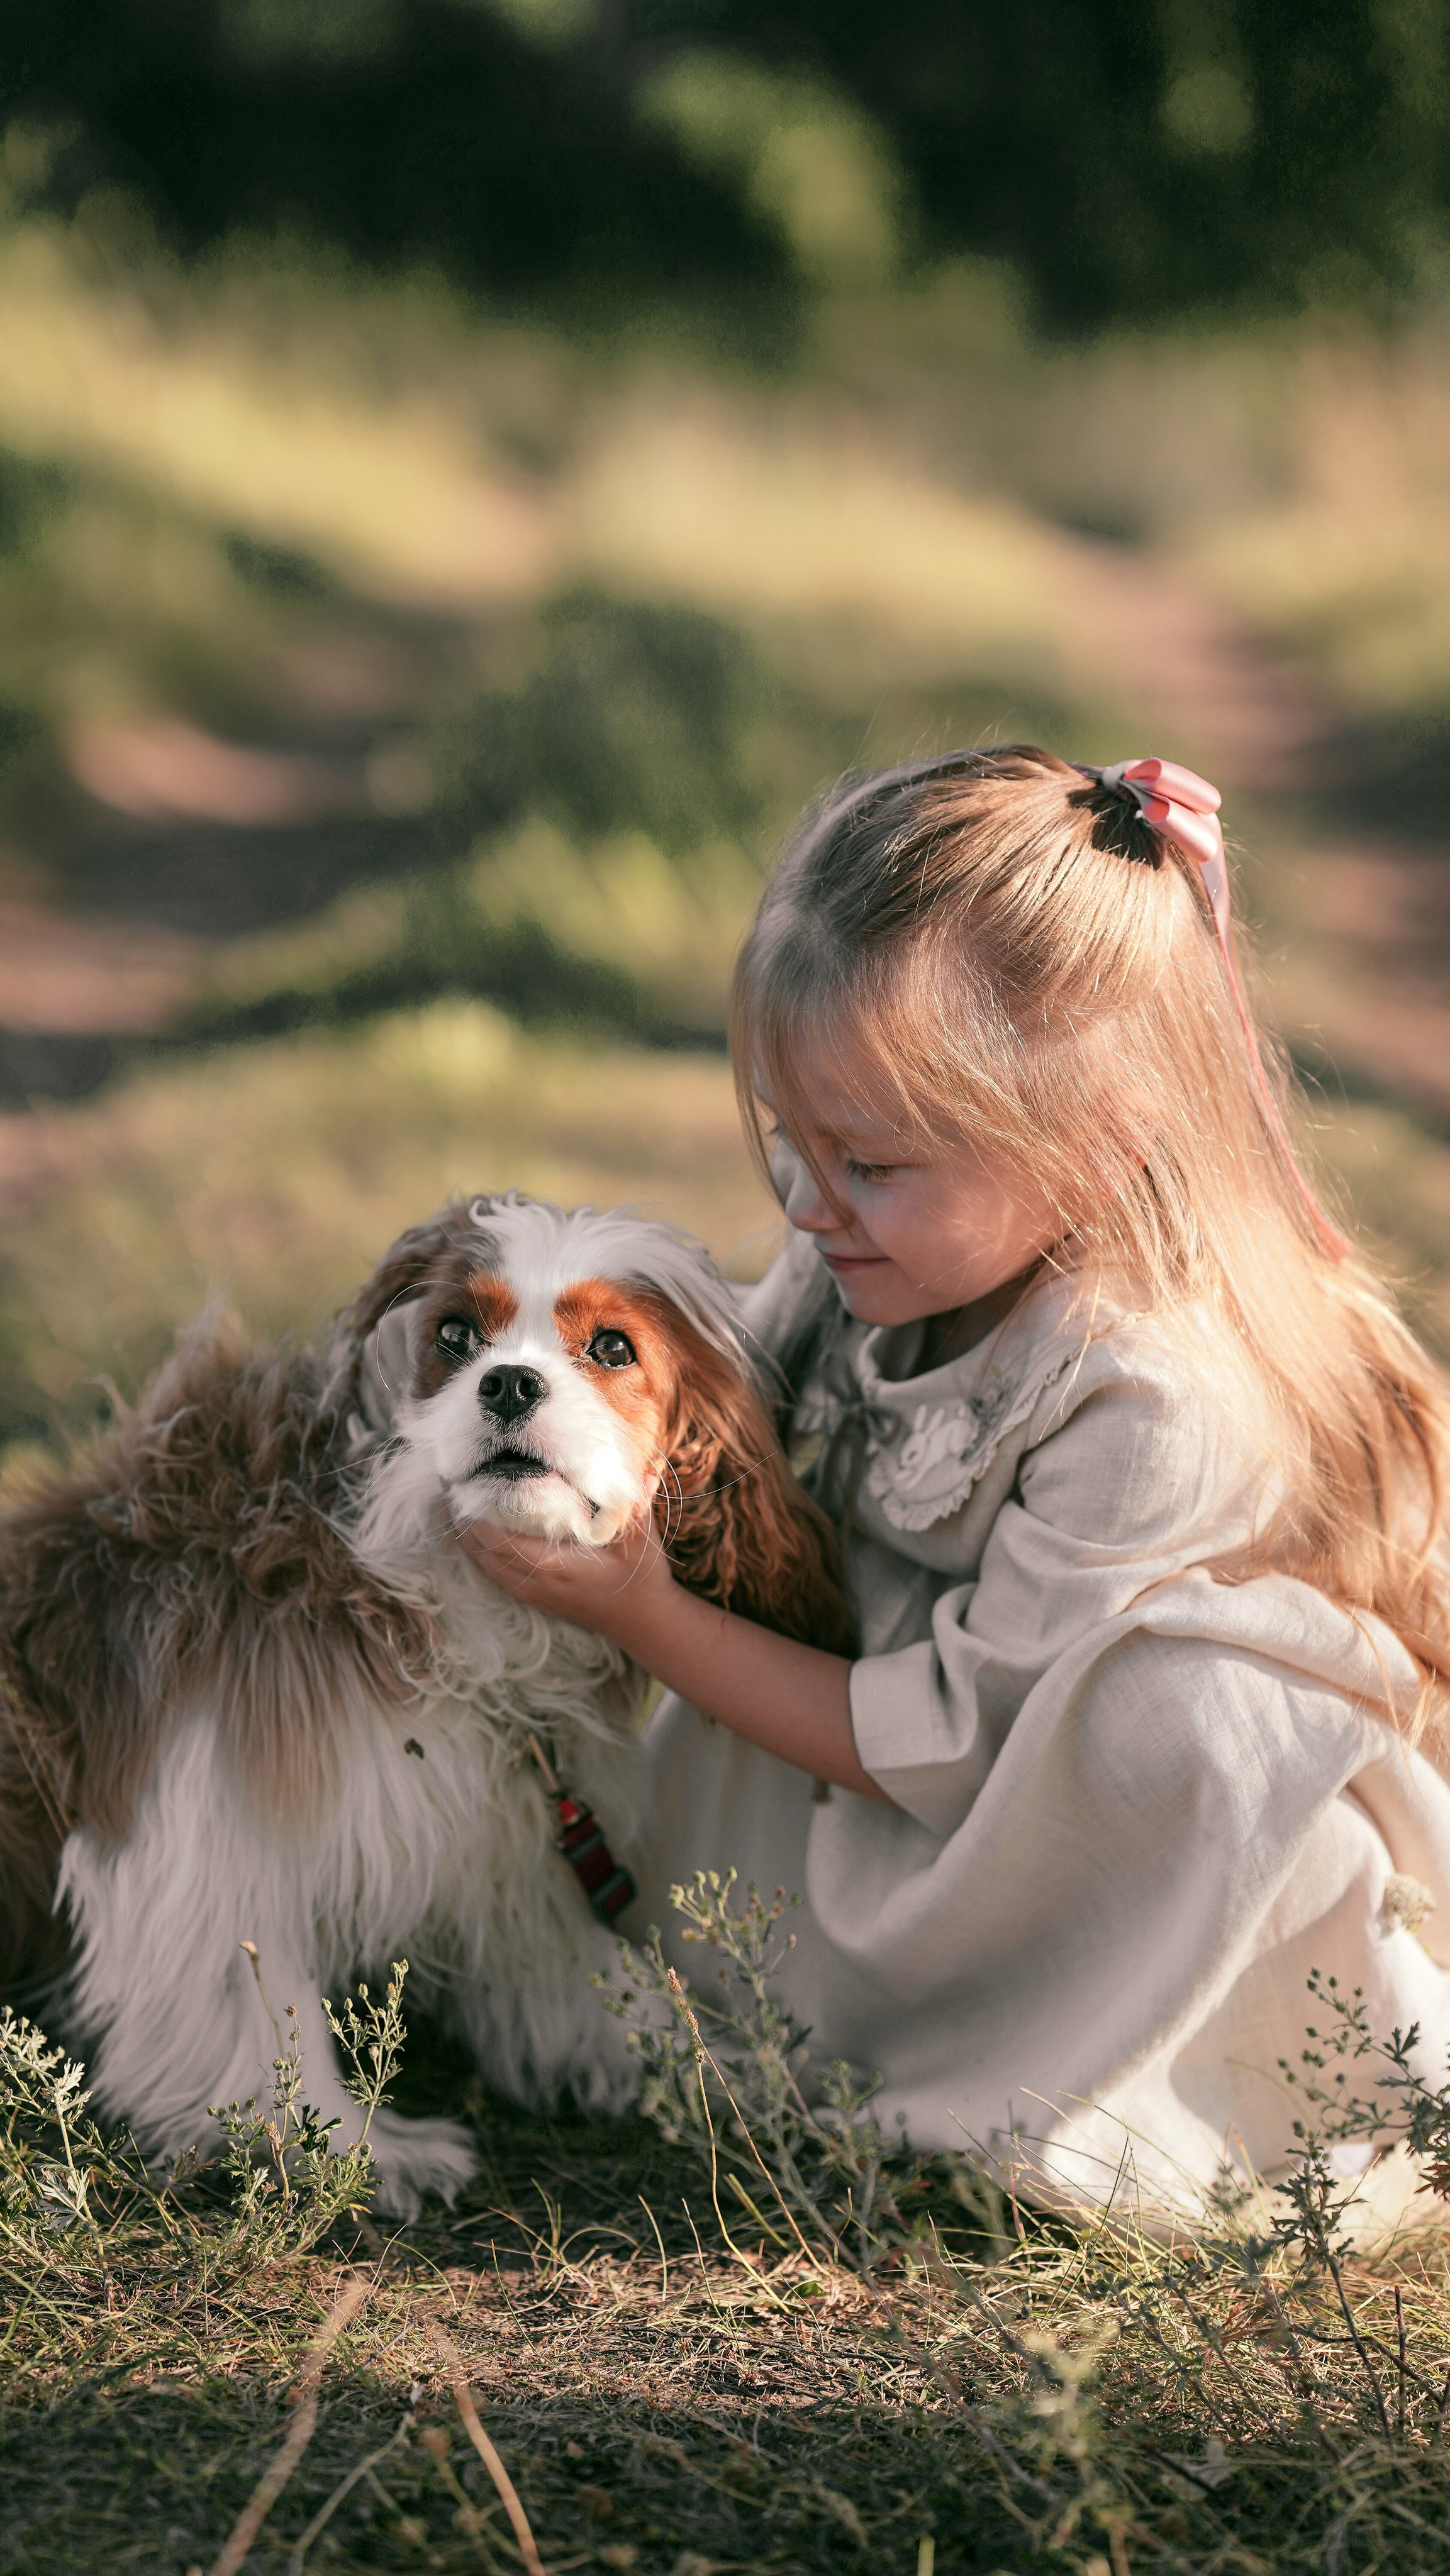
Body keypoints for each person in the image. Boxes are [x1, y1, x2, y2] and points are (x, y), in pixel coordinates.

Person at [463, 746, 1450, 2219]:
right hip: (871, 1754)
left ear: (1098, 1135)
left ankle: (1141, 2081)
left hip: (1065, 1826)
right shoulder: (883, 1249)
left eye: (865, 1158)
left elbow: (955, 1747)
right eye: (793, 1142)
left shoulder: (1155, 1392)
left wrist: (651, 1615)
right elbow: (734, 1406)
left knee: (1186, 1723)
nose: (806, 1201)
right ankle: (708, 1968)